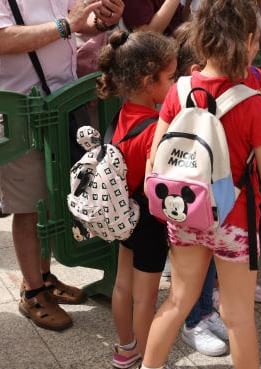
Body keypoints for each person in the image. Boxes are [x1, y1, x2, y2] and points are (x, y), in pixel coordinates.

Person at [140, 1, 261, 368]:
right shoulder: (254, 104)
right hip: (234, 221)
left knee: (176, 302)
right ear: (250, 40)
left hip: (184, 212)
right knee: (239, 317)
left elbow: (154, 160)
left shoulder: (180, 89)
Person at [0, 0, 123, 331]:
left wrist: (102, 20)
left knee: (53, 198)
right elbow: (4, 38)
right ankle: (33, 293)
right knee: (30, 205)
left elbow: (79, 22)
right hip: (21, 109)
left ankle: (42, 275)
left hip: (64, 101)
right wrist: (65, 25)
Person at [96, 30, 176, 368]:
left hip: (122, 213)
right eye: (171, 77)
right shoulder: (154, 127)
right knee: (146, 297)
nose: (175, 84)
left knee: (122, 286)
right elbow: (155, 185)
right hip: (147, 221)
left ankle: (126, 347)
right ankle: (147, 359)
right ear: (148, 80)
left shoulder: (121, 114)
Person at [172, 22, 229, 358]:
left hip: (211, 196)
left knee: (209, 262)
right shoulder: (181, 96)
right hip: (189, 200)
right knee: (193, 272)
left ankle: (205, 311)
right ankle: (194, 321)